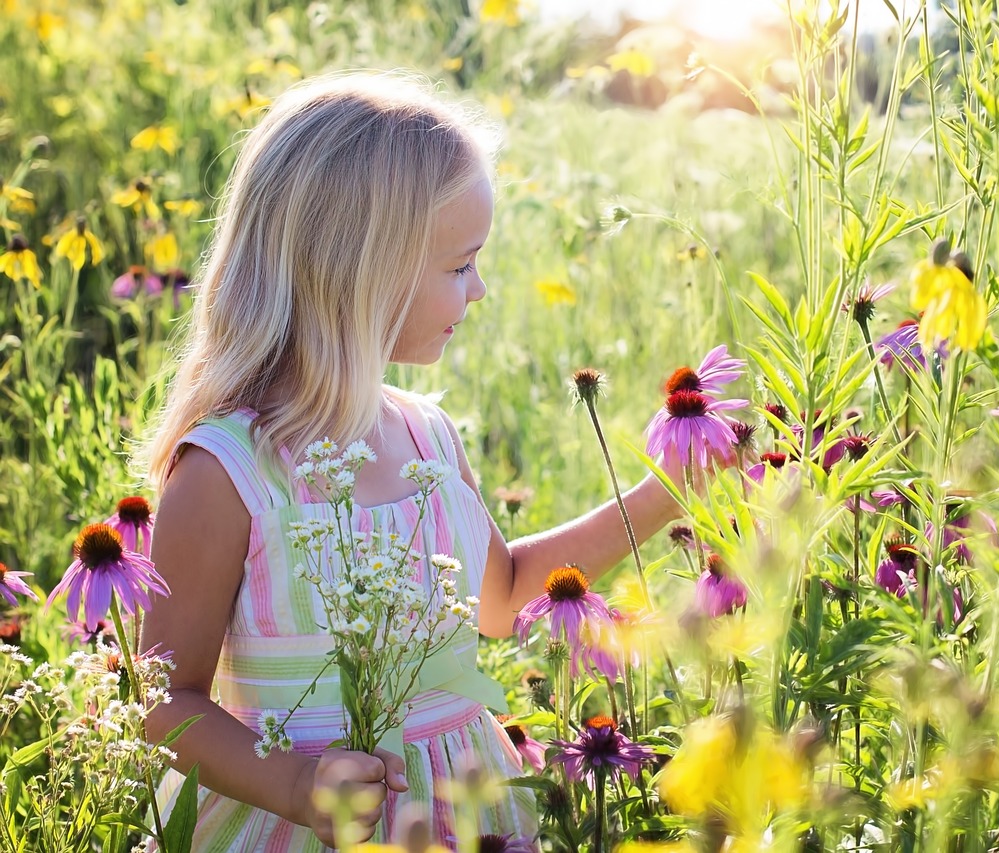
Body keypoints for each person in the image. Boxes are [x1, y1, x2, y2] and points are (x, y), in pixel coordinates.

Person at [139, 70, 682, 851]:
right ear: (361, 275)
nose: (481, 288)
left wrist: (665, 493)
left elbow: (502, 599)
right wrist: (295, 783)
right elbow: (166, 702)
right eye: (461, 266)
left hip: (467, 811)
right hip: (294, 825)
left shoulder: (429, 437)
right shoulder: (228, 472)